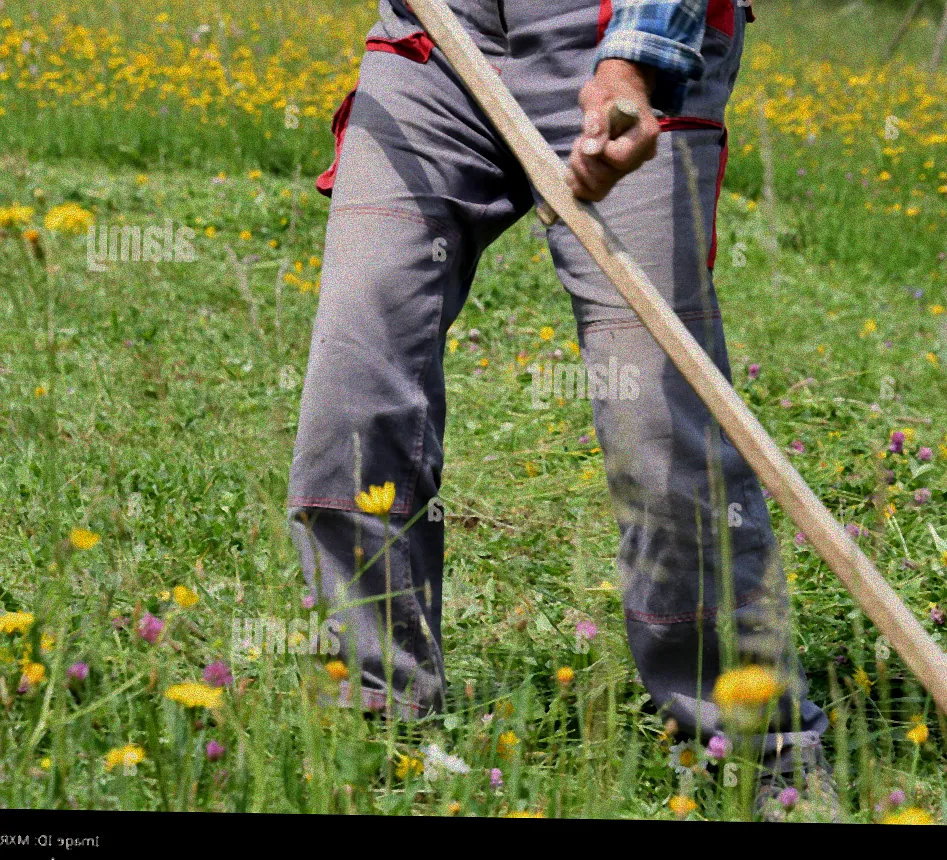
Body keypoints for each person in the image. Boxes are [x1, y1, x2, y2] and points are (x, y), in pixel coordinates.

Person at [287, 0, 833, 818]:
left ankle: (757, 744)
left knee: (653, 409)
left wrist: (635, 63)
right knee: (355, 369)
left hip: (620, 33)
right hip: (434, 40)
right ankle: (373, 703)